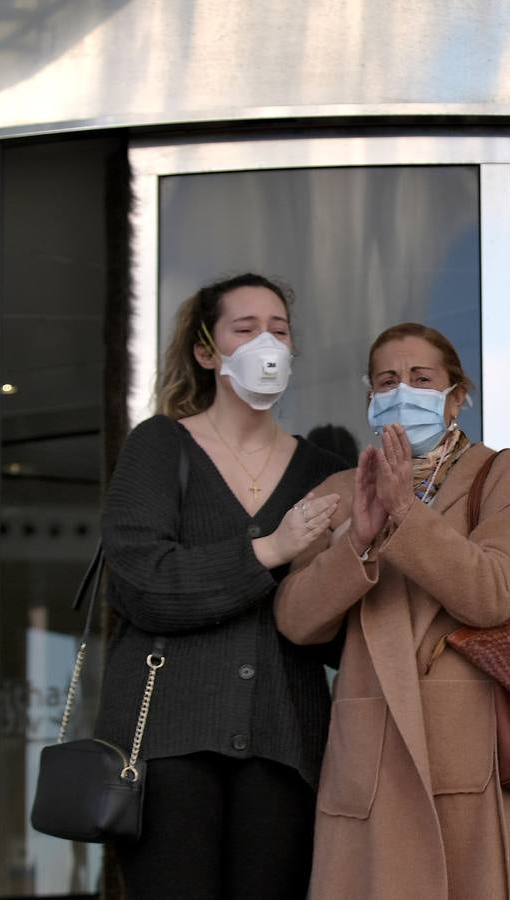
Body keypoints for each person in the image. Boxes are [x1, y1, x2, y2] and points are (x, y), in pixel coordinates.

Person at [275, 322, 510, 900]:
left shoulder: (504, 475)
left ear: (457, 395)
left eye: (421, 378)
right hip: (371, 748)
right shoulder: (340, 489)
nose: (402, 390)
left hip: (471, 746)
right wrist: (357, 540)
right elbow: (295, 619)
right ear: (370, 398)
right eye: (387, 380)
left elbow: (496, 593)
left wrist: (406, 514)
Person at [97, 273, 346, 899]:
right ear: (207, 351)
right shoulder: (160, 445)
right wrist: (271, 551)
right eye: (246, 328)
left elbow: (334, 635)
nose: (268, 343)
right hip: (166, 747)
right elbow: (140, 583)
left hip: (286, 748)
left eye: (280, 330)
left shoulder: (326, 473)